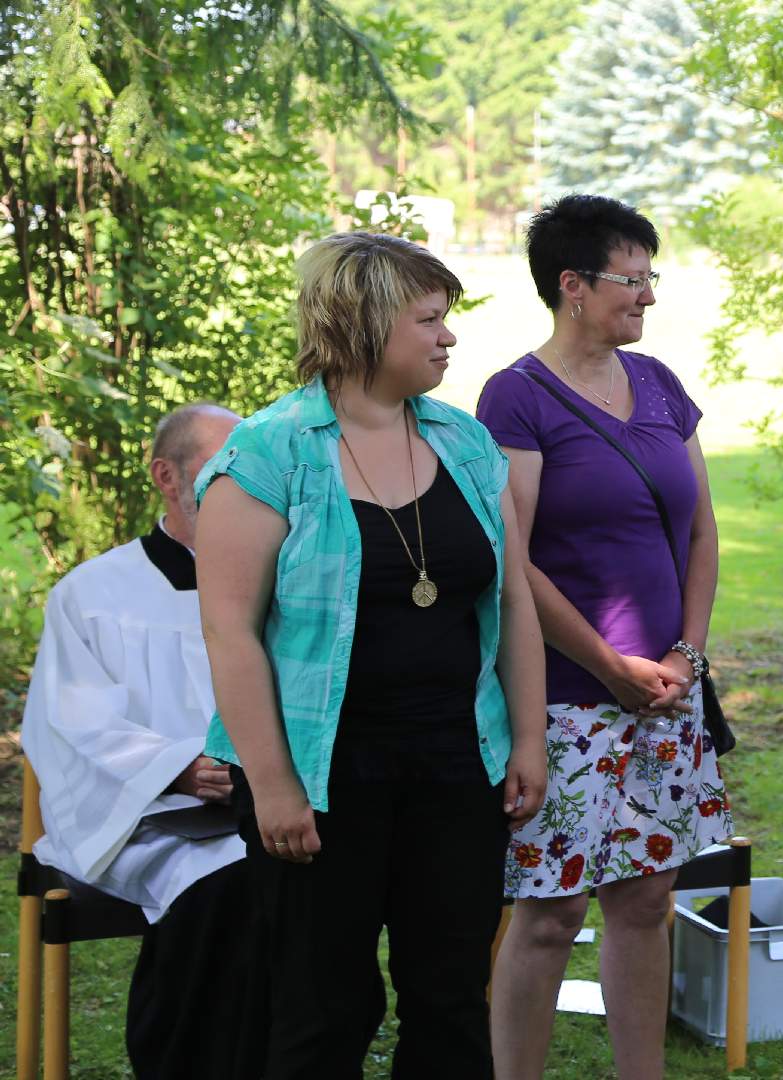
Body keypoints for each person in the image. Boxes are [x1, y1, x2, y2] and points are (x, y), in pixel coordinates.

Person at [193, 232, 549, 1078]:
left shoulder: (465, 445)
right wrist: (274, 786)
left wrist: (528, 740)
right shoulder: (265, 455)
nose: (448, 337)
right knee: (323, 1007)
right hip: (322, 776)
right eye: (429, 319)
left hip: (457, 767)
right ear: (363, 325)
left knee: (451, 996)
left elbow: (512, 600)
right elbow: (229, 633)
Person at [476, 193, 732, 1079]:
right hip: (567, 700)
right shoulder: (515, 397)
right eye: (634, 279)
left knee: (647, 899)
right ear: (572, 285)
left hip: (664, 694)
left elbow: (700, 531)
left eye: (651, 278)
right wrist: (608, 665)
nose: (649, 297)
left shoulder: (659, 384)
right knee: (547, 912)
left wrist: (681, 657)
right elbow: (513, 559)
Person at [21, 402, 256, 1078]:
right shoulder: (94, 593)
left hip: (260, 805)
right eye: (220, 472)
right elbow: (71, 722)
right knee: (227, 882)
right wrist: (177, 769)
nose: (241, 488)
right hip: (142, 815)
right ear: (166, 476)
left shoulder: (277, 584)